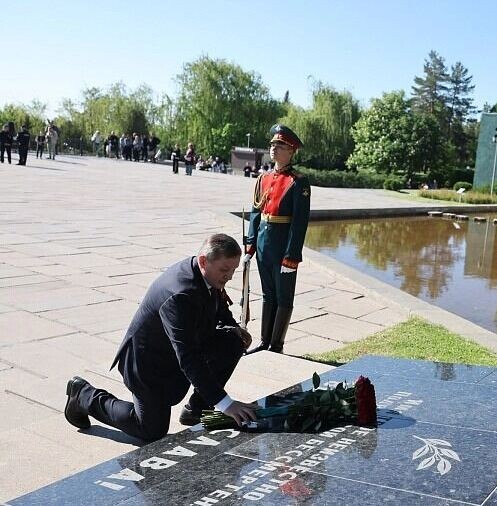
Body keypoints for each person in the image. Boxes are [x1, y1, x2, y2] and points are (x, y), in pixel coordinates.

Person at [63, 234, 258, 442]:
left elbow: (216, 305)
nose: (229, 276)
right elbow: (188, 356)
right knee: (151, 429)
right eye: (225, 270)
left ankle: (198, 409)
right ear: (203, 261)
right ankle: (83, 395)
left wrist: (233, 327)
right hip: (149, 363)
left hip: (175, 349)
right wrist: (225, 403)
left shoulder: (206, 273)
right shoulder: (180, 294)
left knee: (233, 341)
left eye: (233, 270)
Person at [245, 124, 311, 354]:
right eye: (273, 144)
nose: (274, 148)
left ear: (291, 151)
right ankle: (264, 341)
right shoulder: (263, 178)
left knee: (284, 296)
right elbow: (256, 213)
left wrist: (292, 256)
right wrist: (250, 244)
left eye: (280, 145)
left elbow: (299, 222)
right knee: (267, 293)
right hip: (264, 244)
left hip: (283, 247)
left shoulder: (299, 182)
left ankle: (277, 344)